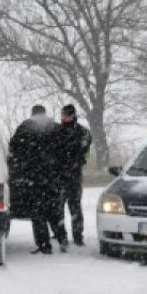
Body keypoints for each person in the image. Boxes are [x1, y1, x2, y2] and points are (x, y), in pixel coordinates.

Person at [8, 105, 70, 254]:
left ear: (32, 114)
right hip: (53, 178)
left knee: (38, 213)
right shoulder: (56, 128)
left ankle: (44, 245)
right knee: (55, 211)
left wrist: (17, 170)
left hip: (33, 178)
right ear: (45, 113)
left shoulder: (24, 128)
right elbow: (66, 151)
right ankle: (62, 240)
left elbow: (13, 149)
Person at [58, 103, 92, 246]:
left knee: (75, 207)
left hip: (74, 175)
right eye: (62, 115)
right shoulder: (57, 131)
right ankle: (61, 236)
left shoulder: (82, 132)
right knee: (58, 208)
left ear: (72, 115)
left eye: (66, 115)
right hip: (59, 176)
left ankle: (78, 236)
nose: (63, 117)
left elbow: (83, 148)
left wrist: (73, 157)